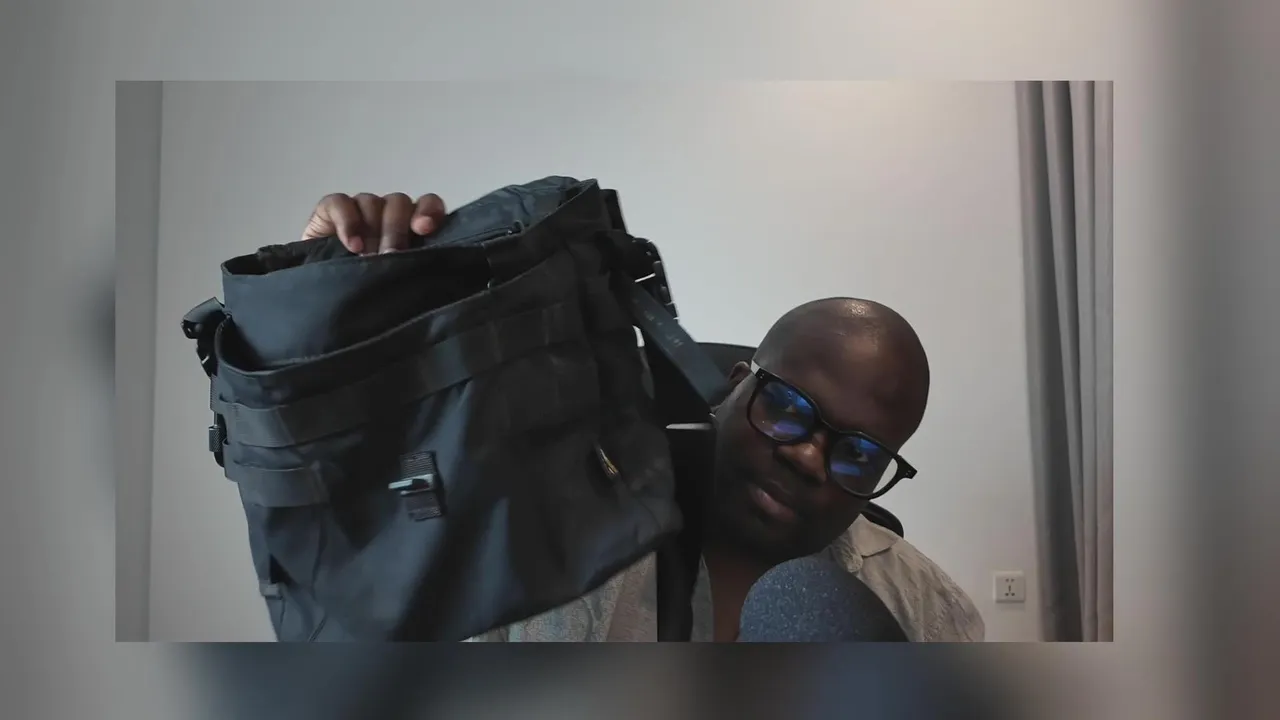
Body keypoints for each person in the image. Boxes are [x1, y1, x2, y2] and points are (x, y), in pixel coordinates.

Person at [301, 192, 985, 642]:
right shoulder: (559, 547)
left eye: (858, 454)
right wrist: (328, 318)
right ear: (734, 388)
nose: (809, 458)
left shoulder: (929, 613)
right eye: (787, 407)